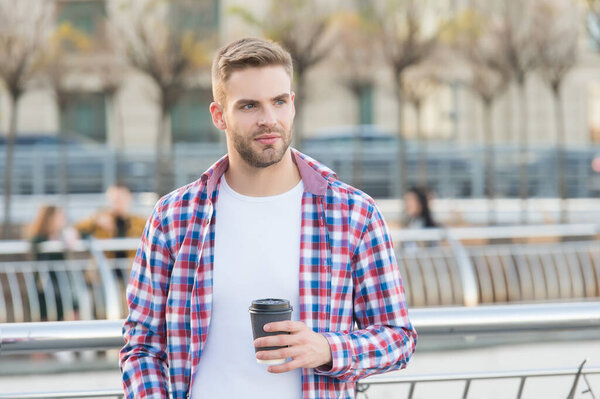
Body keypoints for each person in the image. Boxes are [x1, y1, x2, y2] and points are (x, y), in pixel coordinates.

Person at [120, 38, 416, 399]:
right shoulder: (174, 218)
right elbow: (142, 346)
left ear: (292, 104)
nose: (268, 119)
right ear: (219, 116)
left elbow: (397, 337)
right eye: (249, 106)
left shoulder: (353, 214)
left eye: (279, 101)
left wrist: (327, 349)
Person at [75, 183, 146, 258]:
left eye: (120, 198)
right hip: (104, 267)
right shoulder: (99, 218)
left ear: (129, 198)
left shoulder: (140, 222)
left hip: (129, 267)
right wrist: (96, 221)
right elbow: (77, 228)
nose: (117, 201)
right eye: (114, 198)